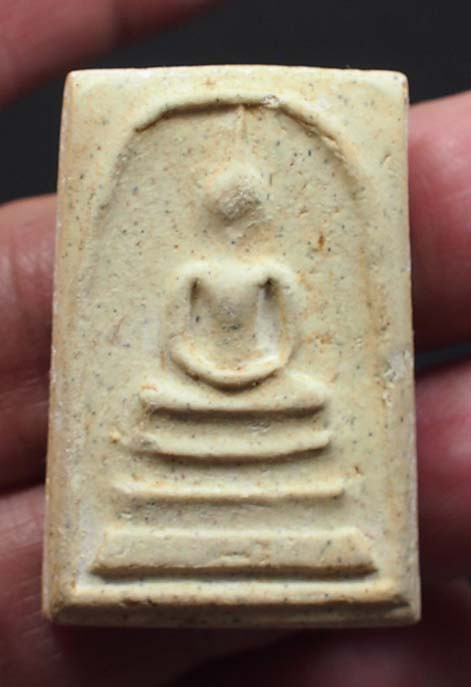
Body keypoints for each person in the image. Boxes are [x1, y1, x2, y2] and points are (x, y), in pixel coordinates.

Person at [0, 2, 469, 685]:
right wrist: (204, 371)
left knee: (306, 401)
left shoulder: (273, 273)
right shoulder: (192, 273)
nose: (234, 220)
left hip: (264, 379)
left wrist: (257, 371)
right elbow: (175, 339)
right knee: (155, 405)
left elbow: (289, 342)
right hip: (197, 378)